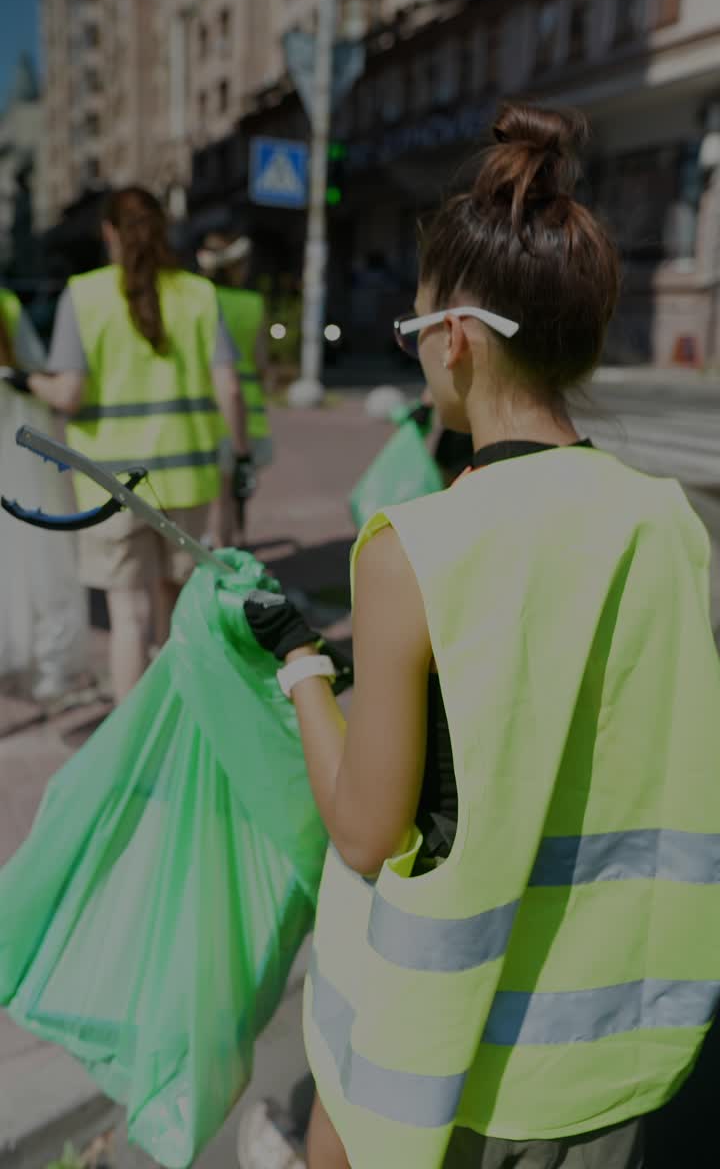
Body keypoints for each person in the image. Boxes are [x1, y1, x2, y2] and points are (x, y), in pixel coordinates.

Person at [243, 102, 720, 1169]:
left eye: (414, 333)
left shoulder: (412, 544)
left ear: (455, 337)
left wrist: (305, 666)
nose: (415, 358)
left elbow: (366, 831)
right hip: (619, 1053)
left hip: (452, 1058)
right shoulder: (666, 520)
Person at [26, 187, 254, 704]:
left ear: (108, 233)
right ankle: (182, 721)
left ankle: (132, 743)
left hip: (110, 485)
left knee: (127, 612)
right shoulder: (198, 294)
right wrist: (239, 455)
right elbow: (231, 387)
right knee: (176, 608)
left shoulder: (83, 296)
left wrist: (29, 381)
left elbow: (69, 393)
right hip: (188, 480)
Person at [0, 288, 87, 702]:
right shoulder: (7, 304)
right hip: (13, 441)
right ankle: (45, 661)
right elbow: (32, 370)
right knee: (31, 550)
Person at [198, 231, 272, 545]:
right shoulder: (253, 303)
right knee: (238, 488)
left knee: (217, 493)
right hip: (248, 409)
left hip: (208, 406)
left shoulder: (200, 298)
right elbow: (260, 360)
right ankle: (238, 542)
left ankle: (220, 547)